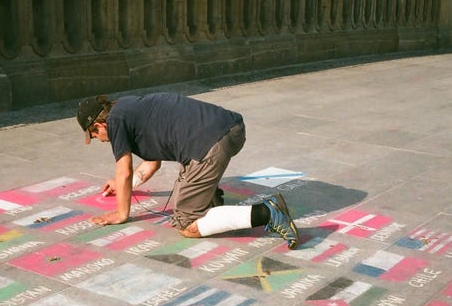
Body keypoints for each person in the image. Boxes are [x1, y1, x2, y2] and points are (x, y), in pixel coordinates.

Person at [77, 92, 299, 249]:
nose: (99, 140)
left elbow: (123, 170)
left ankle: (269, 212)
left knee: (185, 223)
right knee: (189, 188)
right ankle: (210, 199)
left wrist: (120, 214)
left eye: (94, 136)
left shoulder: (115, 122)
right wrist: (125, 186)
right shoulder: (127, 108)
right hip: (230, 128)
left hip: (210, 144)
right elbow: (152, 163)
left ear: (98, 125)